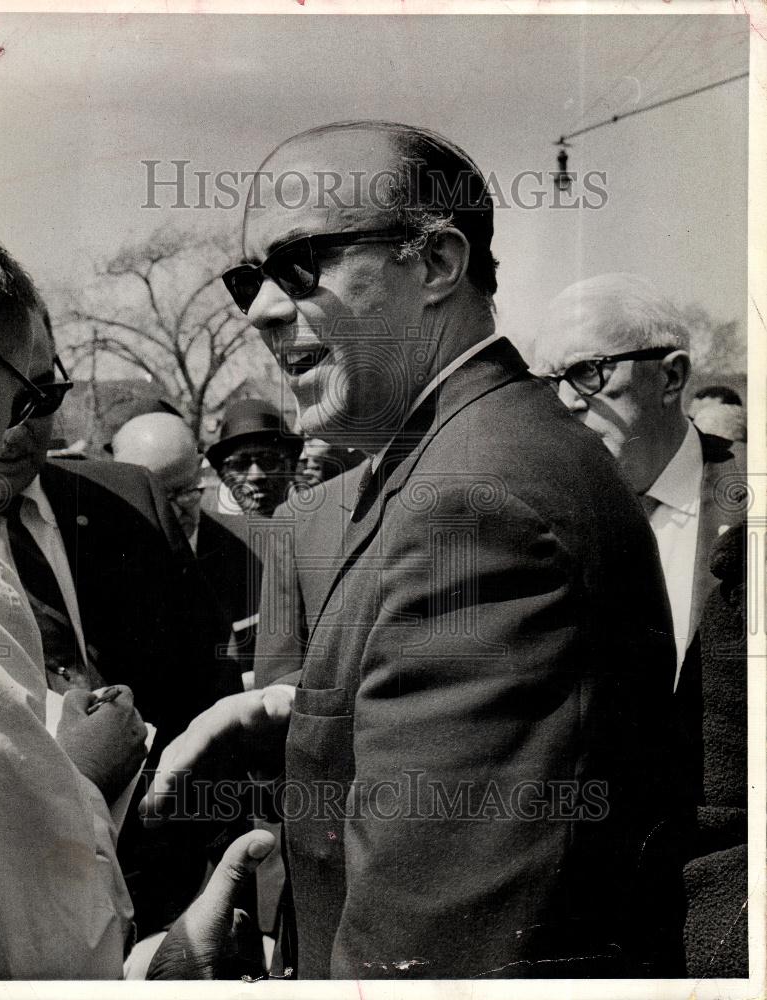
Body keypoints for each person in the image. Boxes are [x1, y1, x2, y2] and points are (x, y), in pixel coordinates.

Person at [143, 121, 686, 979]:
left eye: (298, 266)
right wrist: (286, 713)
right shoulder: (447, 460)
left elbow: (425, 951)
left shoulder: (477, 498)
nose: (259, 309)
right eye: (247, 278)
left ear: (435, 264)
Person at [0, 224, 275, 980]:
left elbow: (200, 681)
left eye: (51, 395)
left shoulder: (125, 507)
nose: (27, 420)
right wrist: (79, 775)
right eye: (23, 388)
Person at [536, 274, 747, 685]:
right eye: (549, 383)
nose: (565, 402)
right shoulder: (540, 512)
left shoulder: (753, 497)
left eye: (587, 370)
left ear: (671, 378)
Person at [111, 411, 263, 682]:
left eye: (186, 491)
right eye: (157, 497)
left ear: (199, 469)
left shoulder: (256, 549)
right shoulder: (105, 563)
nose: (174, 511)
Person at [206, 397, 301, 519]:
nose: (256, 475)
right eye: (240, 464)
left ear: (291, 467)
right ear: (223, 475)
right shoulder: (203, 523)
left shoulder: (321, 514)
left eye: (269, 461)